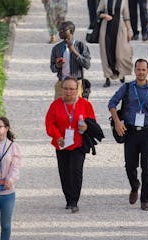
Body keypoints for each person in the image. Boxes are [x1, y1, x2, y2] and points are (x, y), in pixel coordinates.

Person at [108, 58, 148, 212]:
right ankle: (135, 186)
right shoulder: (127, 87)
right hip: (130, 131)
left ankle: (145, 199)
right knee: (130, 165)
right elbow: (112, 104)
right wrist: (117, 122)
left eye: (144, 69)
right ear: (134, 71)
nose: (141, 72)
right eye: (138, 69)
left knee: (147, 167)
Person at [45, 77, 96, 213]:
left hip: (78, 142)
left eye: (72, 89)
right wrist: (57, 136)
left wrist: (85, 127)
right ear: (62, 89)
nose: (68, 92)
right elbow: (49, 123)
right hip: (61, 143)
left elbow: (92, 122)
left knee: (76, 170)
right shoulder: (55, 104)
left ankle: (74, 200)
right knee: (64, 171)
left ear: (77, 90)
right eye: (66, 88)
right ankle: (68, 198)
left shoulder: (85, 104)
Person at [96, 0, 133, 87]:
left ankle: (121, 73)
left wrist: (129, 30)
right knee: (106, 52)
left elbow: (126, 16)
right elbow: (98, 12)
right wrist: (104, 15)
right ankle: (107, 76)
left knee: (121, 53)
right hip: (106, 27)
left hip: (120, 27)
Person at [50, 21, 91, 99]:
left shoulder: (80, 46)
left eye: (63, 30)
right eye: (59, 30)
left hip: (76, 84)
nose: (60, 32)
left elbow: (87, 65)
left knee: (76, 109)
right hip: (61, 83)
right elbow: (52, 68)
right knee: (59, 108)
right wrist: (57, 65)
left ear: (71, 31)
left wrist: (74, 51)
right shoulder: (56, 48)